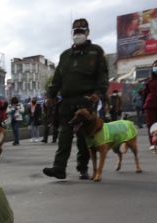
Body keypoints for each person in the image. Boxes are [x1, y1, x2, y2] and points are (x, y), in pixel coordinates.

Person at [42, 18, 109, 180]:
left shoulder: (96, 51)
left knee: (83, 137)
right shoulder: (65, 55)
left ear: (87, 32)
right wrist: (51, 95)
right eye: (75, 32)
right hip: (66, 101)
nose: (78, 34)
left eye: (81, 31)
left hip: (86, 99)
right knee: (64, 134)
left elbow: (102, 75)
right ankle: (59, 168)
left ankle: (83, 168)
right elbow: (57, 78)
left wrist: (98, 93)